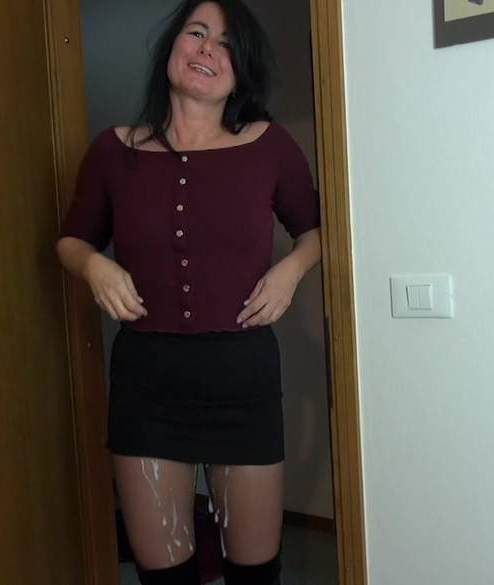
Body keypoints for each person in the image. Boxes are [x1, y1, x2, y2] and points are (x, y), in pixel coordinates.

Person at [56, 1, 321, 583]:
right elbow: (71, 240)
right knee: (163, 575)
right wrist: (95, 266)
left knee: (254, 572)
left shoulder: (269, 146)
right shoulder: (113, 152)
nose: (207, 49)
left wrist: (291, 270)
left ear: (241, 70)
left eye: (226, 44)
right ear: (171, 47)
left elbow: (317, 230)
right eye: (197, 33)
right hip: (146, 383)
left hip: (242, 377)